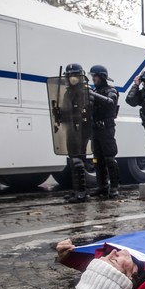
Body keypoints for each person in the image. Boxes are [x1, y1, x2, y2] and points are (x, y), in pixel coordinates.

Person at [56, 63, 91, 203]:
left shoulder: (84, 91)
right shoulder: (67, 92)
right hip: (70, 129)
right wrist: (59, 113)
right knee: (72, 160)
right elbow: (67, 110)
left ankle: (82, 192)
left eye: (75, 75)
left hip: (80, 129)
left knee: (78, 160)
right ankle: (76, 190)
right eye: (70, 76)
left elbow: (85, 112)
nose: (73, 78)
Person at [88, 65, 120, 199]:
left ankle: (114, 187)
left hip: (106, 129)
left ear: (101, 77)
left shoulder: (111, 90)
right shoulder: (93, 90)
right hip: (95, 129)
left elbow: (111, 102)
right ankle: (101, 186)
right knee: (97, 159)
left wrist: (92, 94)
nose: (93, 78)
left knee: (109, 159)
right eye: (92, 76)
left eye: (95, 76)